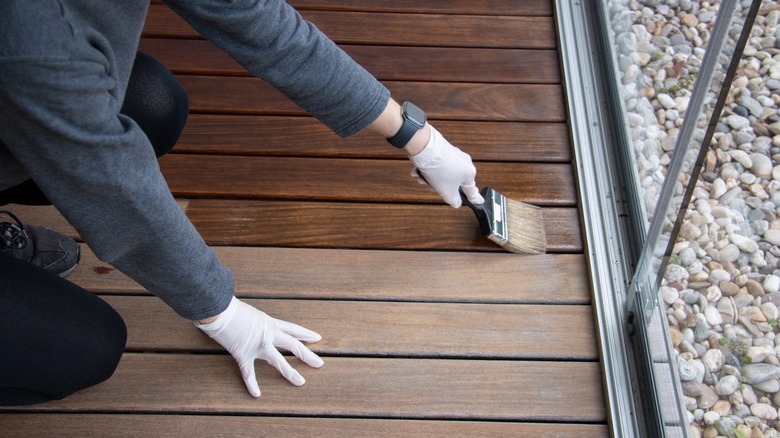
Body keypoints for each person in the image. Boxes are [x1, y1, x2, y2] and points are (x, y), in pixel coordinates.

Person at [0, 0, 484, 405]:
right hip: (28, 68)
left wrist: (418, 138)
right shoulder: (31, 38)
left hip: (29, 92)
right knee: (84, 349)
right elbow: (111, 183)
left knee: (152, 102)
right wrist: (219, 310)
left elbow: (256, 19)